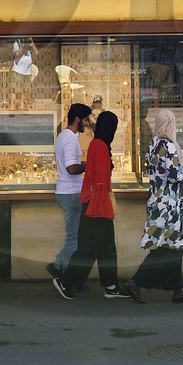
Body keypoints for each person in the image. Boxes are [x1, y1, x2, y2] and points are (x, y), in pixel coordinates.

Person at [122, 108, 183, 304]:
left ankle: (178, 288)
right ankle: (136, 281)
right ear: (169, 124)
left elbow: (162, 171)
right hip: (170, 204)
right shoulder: (168, 145)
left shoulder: (154, 144)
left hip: (160, 201)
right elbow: (173, 176)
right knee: (167, 246)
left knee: (173, 246)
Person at [55, 110, 132, 300]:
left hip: (97, 201)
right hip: (96, 203)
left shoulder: (98, 144)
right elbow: (99, 180)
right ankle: (67, 280)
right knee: (90, 247)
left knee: (106, 246)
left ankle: (111, 284)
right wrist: (103, 204)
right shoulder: (100, 146)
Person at [46, 103, 92, 283]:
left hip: (68, 192)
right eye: (86, 119)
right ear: (77, 119)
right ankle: (60, 268)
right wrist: (90, 165)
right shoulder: (70, 138)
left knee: (74, 236)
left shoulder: (64, 136)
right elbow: (72, 168)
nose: (87, 124)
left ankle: (61, 268)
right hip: (71, 193)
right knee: (74, 238)